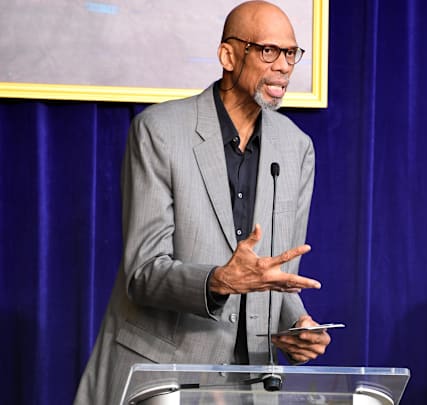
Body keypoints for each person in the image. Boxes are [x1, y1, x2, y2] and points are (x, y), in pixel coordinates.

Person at [74, 2, 331, 404]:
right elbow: (143, 272)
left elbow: (274, 277)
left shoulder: (297, 148)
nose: (283, 65)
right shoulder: (159, 132)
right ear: (228, 55)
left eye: (291, 53)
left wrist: (296, 325)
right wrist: (219, 280)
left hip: (252, 385)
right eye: (268, 50)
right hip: (162, 377)